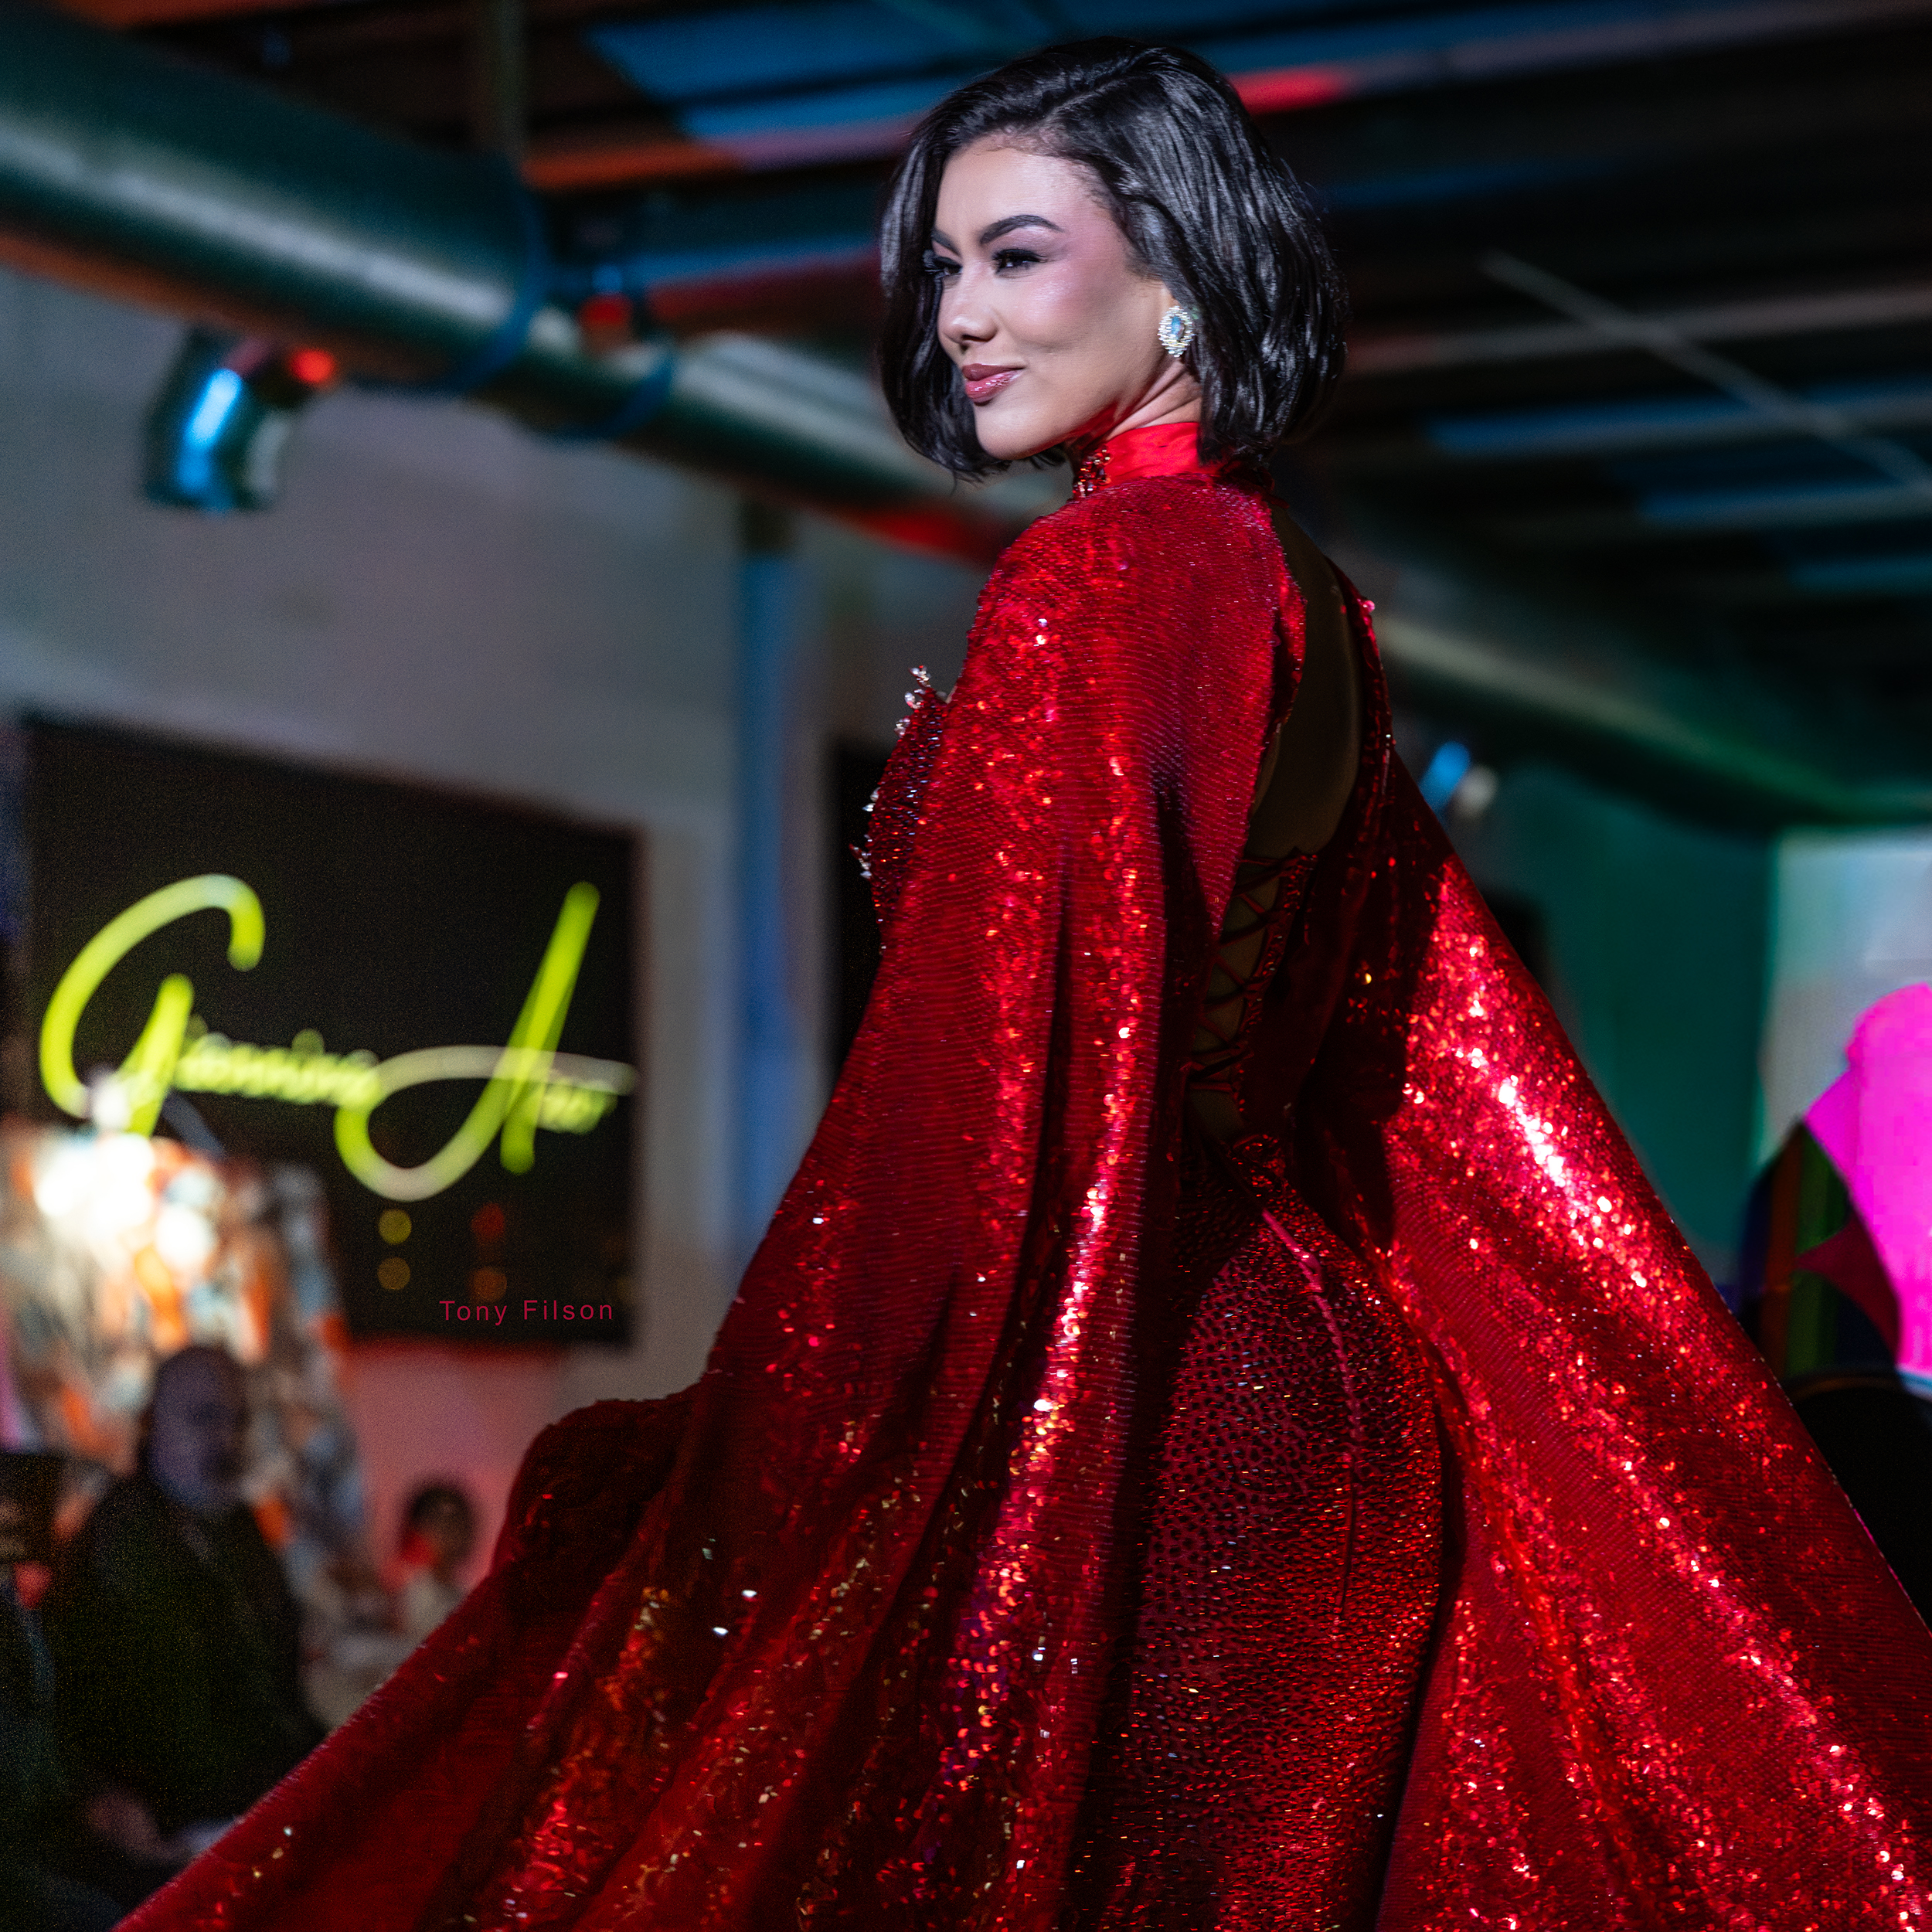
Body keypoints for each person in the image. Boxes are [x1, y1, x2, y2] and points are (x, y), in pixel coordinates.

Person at [124, 40, 1932, 1932]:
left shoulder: (1106, 582)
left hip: (1153, 1399)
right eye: (941, 269)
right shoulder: (1301, 598)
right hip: (1308, 1400)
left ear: (1176, 278)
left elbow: (986, 1101)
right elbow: (1375, 1070)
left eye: (1012, 257)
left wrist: (779, 1430)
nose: (957, 317)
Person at [46, 1345, 323, 1906]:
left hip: (261, 1815)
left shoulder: (240, 1531)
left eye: (237, 1419)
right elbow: (64, 1699)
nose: (225, 1438)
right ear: (153, 1424)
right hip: (173, 1845)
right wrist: (100, 1795)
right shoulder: (113, 1540)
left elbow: (279, 1679)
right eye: (202, 1417)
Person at [393, 1482, 476, 1642]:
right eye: (446, 1525)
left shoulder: (466, 1597)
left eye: (461, 1525)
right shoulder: (413, 1593)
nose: (456, 1535)